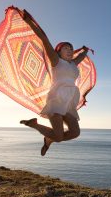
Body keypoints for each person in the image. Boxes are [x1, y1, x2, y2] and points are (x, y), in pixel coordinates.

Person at [18, 9, 91, 156]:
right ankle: (35, 126)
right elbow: (44, 39)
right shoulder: (56, 61)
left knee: (75, 132)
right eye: (66, 48)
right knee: (58, 136)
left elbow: (81, 57)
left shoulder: (73, 64)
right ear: (58, 51)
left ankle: (49, 139)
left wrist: (85, 51)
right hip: (57, 98)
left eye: (71, 48)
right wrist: (29, 21)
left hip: (69, 101)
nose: (70, 50)